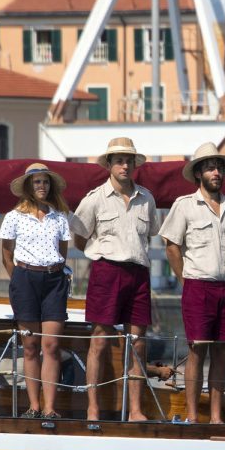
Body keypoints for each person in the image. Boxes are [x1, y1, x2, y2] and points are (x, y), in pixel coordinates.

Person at [72, 137, 157, 422]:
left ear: (134, 164)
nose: (124, 165)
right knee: (99, 340)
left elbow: (151, 234)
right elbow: (79, 235)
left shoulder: (147, 198)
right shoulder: (94, 199)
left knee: (138, 342)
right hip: (106, 270)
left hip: (139, 273)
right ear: (109, 164)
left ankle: (135, 409)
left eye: (128, 160)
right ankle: (92, 406)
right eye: (118, 160)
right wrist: (100, 253)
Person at [159, 143, 225, 424]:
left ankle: (216, 417)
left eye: (219, 167)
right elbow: (171, 246)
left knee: (221, 352)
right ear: (199, 173)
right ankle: (193, 416)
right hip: (198, 285)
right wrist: (185, 280)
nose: (216, 172)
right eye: (210, 167)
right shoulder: (184, 206)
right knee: (197, 351)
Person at [0, 163, 71, 420]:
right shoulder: (14, 217)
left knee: (51, 345)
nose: (42, 186)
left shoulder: (59, 217)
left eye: (45, 182)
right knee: (30, 345)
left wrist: (52, 270)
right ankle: (34, 405)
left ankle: (50, 407)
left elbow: (62, 252)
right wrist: (20, 278)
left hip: (53, 279)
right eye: (37, 182)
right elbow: (6, 254)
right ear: (29, 186)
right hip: (25, 279)